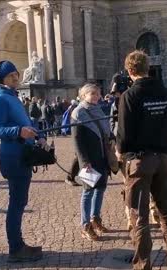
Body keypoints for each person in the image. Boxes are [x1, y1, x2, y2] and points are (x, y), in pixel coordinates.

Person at [116, 50, 167, 270]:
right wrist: (161, 141)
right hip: (163, 159)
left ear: (129, 71)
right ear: (148, 68)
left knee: (139, 215)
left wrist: (121, 152)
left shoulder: (129, 96)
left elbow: (124, 136)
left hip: (140, 161)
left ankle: (143, 264)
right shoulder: (165, 92)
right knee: (166, 211)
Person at [0, 60, 44, 262]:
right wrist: (18, 131)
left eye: (16, 74)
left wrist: (37, 135)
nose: (16, 78)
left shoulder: (12, 96)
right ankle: (16, 249)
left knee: (19, 202)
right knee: (17, 204)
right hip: (13, 157)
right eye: (11, 76)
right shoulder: (0, 98)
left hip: (22, 155)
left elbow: (24, 123)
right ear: (2, 78)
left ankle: (18, 245)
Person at [71, 83, 112, 241]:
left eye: (98, 93)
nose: (96, 96)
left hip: (102, 157)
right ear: (84, 95)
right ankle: (85, 225)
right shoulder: (78, 112)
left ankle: (95, 219)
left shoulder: (98, 109)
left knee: (100, 189)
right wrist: (84, 161)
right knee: (88, 191)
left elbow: (104, 132)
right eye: (92, 93)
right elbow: (77, 141)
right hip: (88, 160)